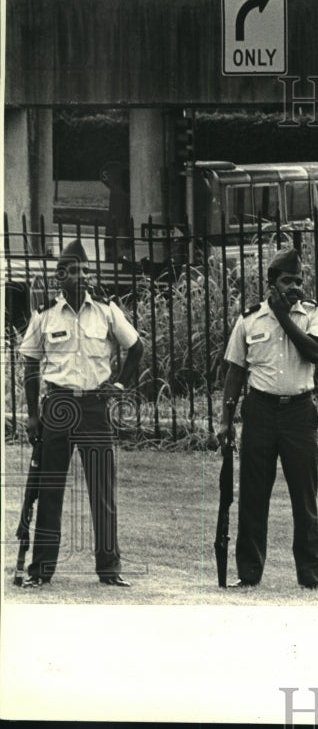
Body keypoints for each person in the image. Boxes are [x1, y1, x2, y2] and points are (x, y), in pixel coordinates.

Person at [18, 239, 143, 588]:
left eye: (87, 270)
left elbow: (136, 347)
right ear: (60, 276)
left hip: (93, 407)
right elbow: (30, 363)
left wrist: (117, 386)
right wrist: (31, 416)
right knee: (50, 488)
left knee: (102, 489)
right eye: (75, 271)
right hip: (57, 406)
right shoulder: (45, 315)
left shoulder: (105, 310)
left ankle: (109, 569)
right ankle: (41, 570)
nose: (83, 277)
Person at [218, 247, 318, 590]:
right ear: (271, 283)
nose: (294, 286)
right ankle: (248, 573)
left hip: (299, 411)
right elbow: (235, 372)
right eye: (286, 281)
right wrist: (225, 419)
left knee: (304, 496)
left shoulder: (312, 314)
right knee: (253, 495)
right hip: (261, 412)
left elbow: (316, 353)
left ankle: (310, 577)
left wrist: (284, 317)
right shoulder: (249, 319)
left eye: (298, 280)